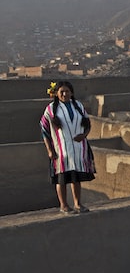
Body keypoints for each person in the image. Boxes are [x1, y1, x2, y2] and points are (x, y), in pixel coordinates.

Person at [40, 81, 95, 215]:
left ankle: (77, 204)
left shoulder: (78, 106)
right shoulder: (51, 109)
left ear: (72, 92)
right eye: (62, 92)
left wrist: (84, 135)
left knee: (76, 177)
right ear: (56, 94)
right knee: (62, 178)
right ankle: (64, 205)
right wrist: (49, 150)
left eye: (67, 91)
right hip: (61, 149)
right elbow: (44, 130)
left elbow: (87, 123)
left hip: (78, 147)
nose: (65, 94)